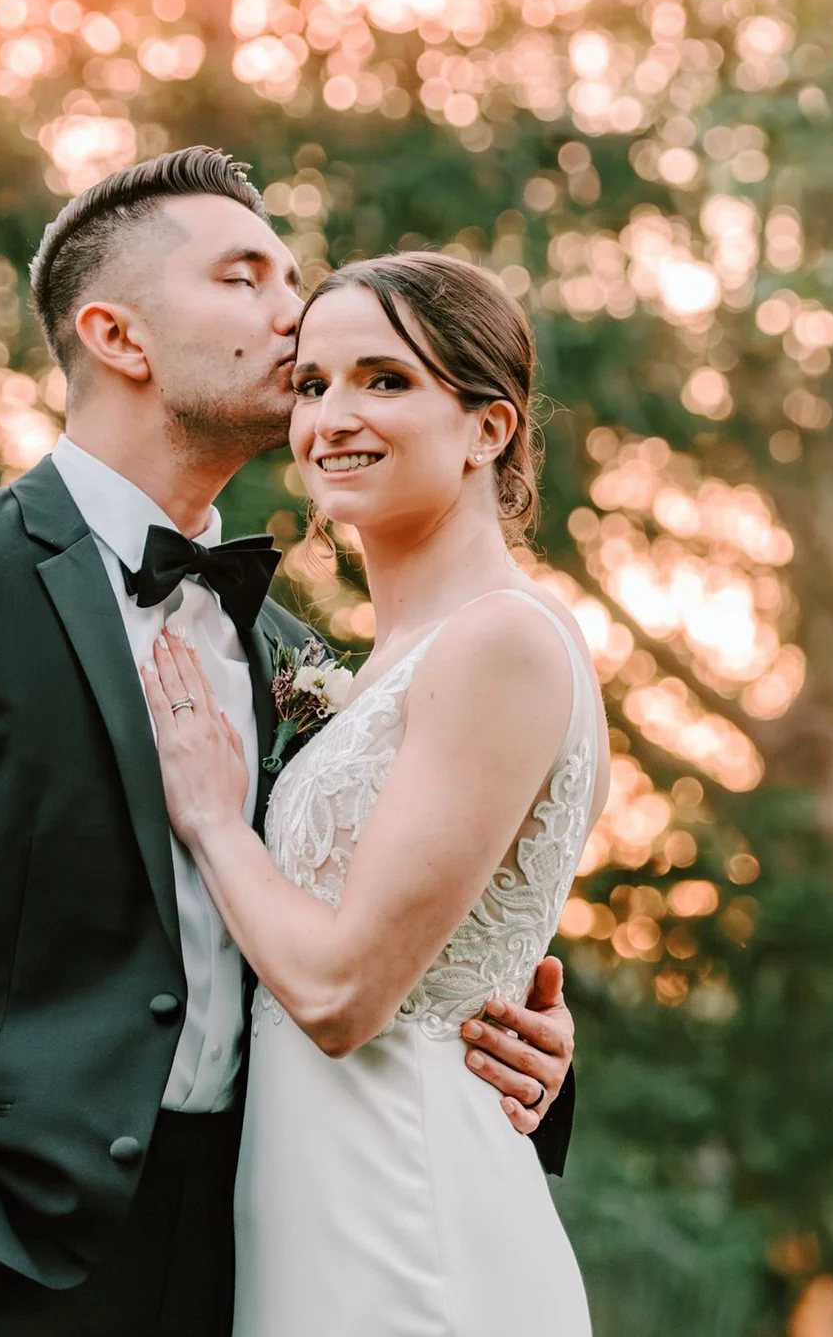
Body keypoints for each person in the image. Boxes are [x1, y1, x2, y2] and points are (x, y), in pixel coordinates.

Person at [0, 149, 577, 1337]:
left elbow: (370, 920)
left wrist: (515, 1044)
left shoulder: (292, 647)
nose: (296, 311)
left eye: (295, 276)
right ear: (118, 335)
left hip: (256, 1252)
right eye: (247, 277)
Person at [143, 249, 600, 1336]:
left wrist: (214, 819)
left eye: (385, 380)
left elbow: (350, 997)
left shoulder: (501, 642)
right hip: (307, 1200)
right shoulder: (371, 661)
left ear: (487, 427)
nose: (332, 418)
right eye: (313, 384)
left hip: (405, 1206)